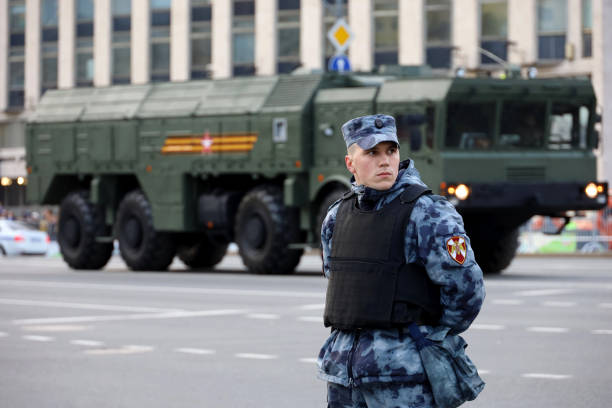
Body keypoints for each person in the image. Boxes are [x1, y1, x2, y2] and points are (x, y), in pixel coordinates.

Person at [318, 114, 485, 407]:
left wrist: (425, 339)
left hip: (404, 380)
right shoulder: (336, 216)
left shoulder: (428, 213)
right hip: (343, 377)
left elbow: (466, 291)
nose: (384, 161)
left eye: (391, 151)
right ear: (350, 163)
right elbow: (336, 278)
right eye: (372, 152)